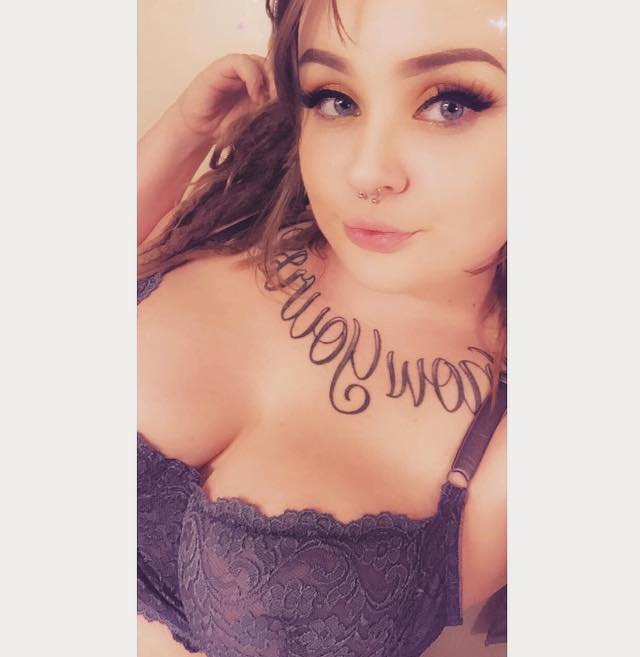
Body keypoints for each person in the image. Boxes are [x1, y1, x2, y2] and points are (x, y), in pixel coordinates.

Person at [137, 0, 507, 655]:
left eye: (450, 105)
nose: (364, 173)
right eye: (336, 99)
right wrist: (184, 133)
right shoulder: (236, 221)